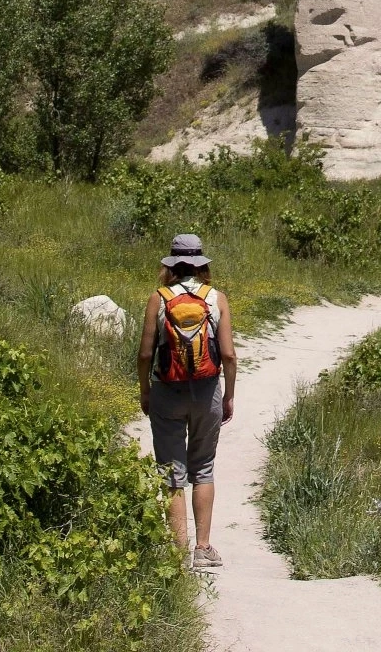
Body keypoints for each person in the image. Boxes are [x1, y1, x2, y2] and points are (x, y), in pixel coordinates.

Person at [138, 232, 237, 569]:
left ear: (172, 265)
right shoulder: (216, 299)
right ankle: (203, 548)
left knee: (172, 472)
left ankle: (178, 553)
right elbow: (228, 354)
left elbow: (144, 354)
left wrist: (145, 391)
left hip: (167, 391)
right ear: (201, 264)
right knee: (203, 468)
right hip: (207, 390)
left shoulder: (159, 298)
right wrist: (228, 395)